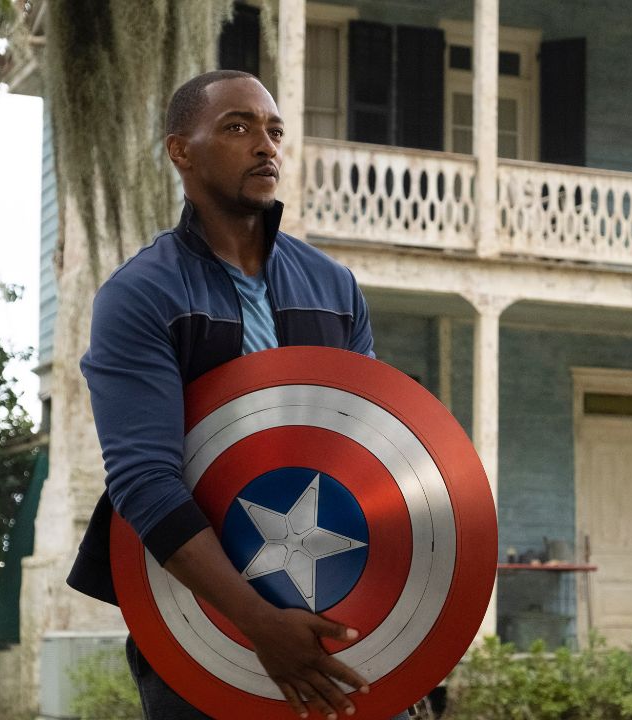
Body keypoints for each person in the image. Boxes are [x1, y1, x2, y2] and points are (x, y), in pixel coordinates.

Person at [69, 70, 409, 720]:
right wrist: (259, 622)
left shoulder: (334, 287)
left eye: (274, 131)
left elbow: (367, 451)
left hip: (336, 604)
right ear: (180, 151)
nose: (265, 145)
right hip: (193, 616)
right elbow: (144, 482)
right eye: (237, 127)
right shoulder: (140, 296)